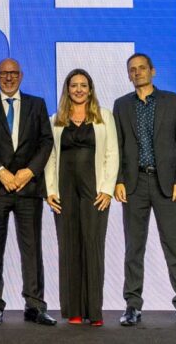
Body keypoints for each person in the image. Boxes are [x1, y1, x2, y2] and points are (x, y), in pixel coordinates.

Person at [113, 53, 176, 328]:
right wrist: (118, 180)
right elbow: (116, 146)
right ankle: (132, 306)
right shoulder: (121, 105)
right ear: (128, 75)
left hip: (167, 186)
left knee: (174, 247)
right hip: (134, 184)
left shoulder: (174, 102)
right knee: (133, 249)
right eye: (132, 70)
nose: (137, 73)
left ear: (153, 71)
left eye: (142, 68)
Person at [0, 58, 55, 326]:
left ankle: (35, 305)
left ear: (22, 75)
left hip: (28, 188)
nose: (9, 78)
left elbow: (46, 142)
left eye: (14, 73)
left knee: (32, 249)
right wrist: (2, 172)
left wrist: (28, 172)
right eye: (4, 74)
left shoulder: (37, 104)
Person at [44, 69, 118, 327]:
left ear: (90, 89)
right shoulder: (56, 119)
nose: (78, 89)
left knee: (93, 247)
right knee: (69, 248)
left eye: (83, 85)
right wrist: (50, 191)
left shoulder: (104, 117)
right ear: (67, 89)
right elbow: (50, 157)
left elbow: (112, 154)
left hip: (94, 192)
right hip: (64, 193)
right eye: (73, 85)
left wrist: (108, 189)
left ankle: (94, 311)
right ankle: (73, 310)